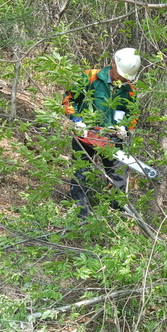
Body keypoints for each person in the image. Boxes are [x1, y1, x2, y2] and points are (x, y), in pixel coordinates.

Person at [62, 48, 141, 219]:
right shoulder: (89, 77)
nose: (123, 78)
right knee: (80, 174)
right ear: (113, 63)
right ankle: (81, 215)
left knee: (118, 179)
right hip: (85, 134)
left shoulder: (129, 89)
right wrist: (77, 121)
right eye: (121, 74)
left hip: (112, 139)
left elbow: (133, 114)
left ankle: (115, 218)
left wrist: (125, 129)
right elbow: (69, 99)